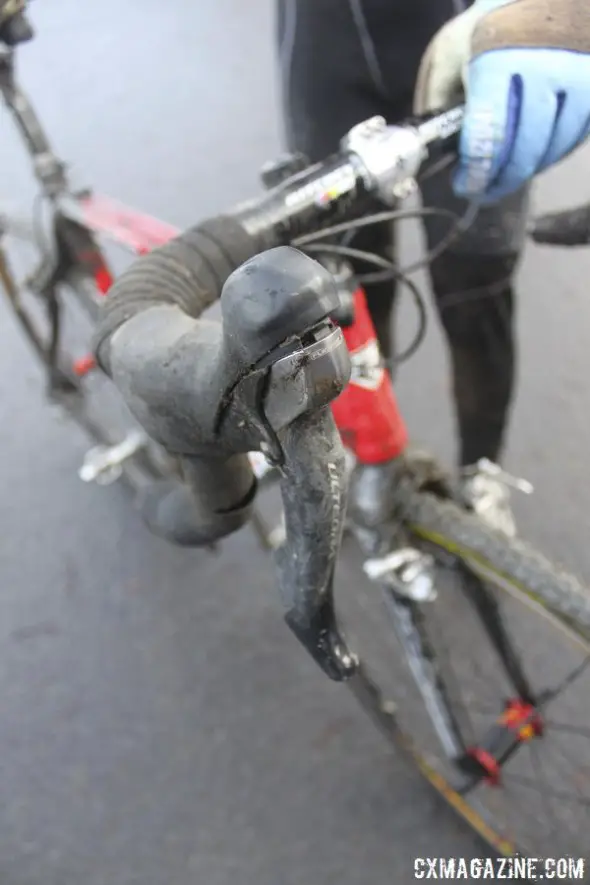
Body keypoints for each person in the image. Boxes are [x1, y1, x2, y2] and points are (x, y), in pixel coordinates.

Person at [276, 0, 590, 536]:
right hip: (326, 45)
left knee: (476, 291)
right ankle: (360, 447)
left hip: (476, 28)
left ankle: (480, 468)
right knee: (346, 292)